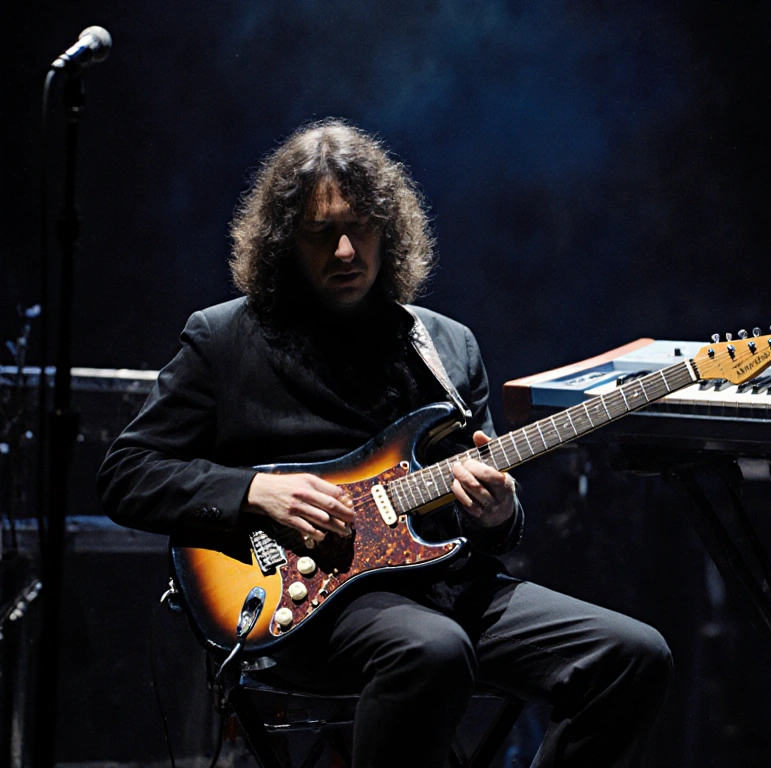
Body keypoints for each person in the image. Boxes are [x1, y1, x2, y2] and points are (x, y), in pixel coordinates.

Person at [98, 118, 672, 767]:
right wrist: (255, 491)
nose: (345, 251)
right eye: (321, 233)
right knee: (431, 650)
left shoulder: (445, 345)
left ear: (389, 231)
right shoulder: (224, 339)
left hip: (444, 589)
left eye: (360, 228)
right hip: (310, 607)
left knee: (631, 656)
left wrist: (496, 512)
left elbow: (480, 524)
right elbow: (126, 473)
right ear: (285, 242)